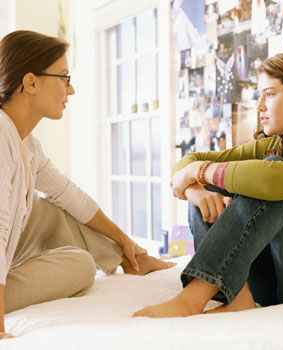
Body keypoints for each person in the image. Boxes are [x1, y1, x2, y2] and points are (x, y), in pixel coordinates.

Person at [133, 50, 283, 318]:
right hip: (269, 283)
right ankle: (238, 297)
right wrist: (195, 189)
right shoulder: (277, 145)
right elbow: (189, 160)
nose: (259, 106)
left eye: (269, 94)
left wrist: (198, 171)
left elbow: (272, 179)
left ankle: (193, 298)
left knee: (269, 173)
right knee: (211, 187)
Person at [0, 30, 174, 338]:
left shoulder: (28, 144)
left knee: (51, 208)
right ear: (30, 82)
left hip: (14, 244)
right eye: (64, 78)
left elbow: (70, 195)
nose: (72, 89)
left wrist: (126, 243)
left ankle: (132, 259)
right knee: (80, 265)